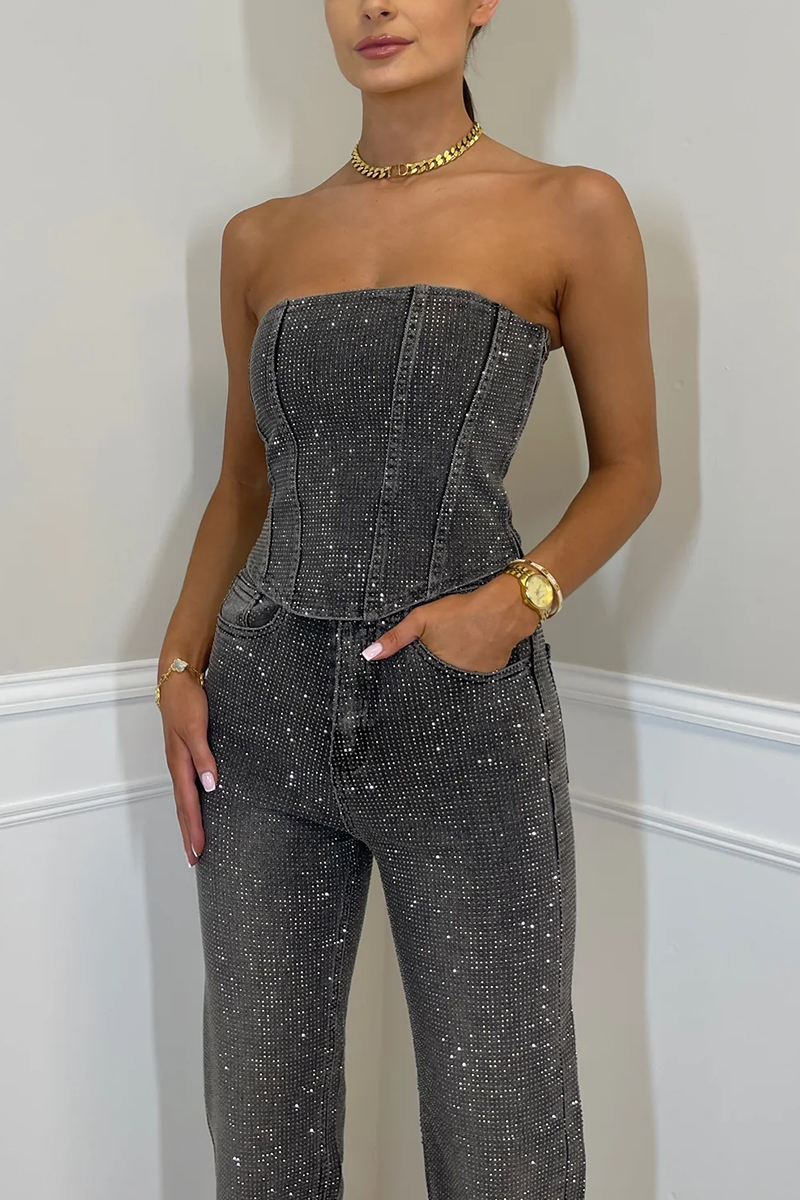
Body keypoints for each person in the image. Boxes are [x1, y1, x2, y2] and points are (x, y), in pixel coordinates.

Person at [155, 1, 660, 1196]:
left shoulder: (570, 208)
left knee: (503, 1138)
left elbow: (632, 469)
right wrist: (176, 665)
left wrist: (511, 603)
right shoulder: (257, 238)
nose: (374, 6)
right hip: (261, 720)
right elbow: (242, 483)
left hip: (461, 721)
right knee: (261, 1134)